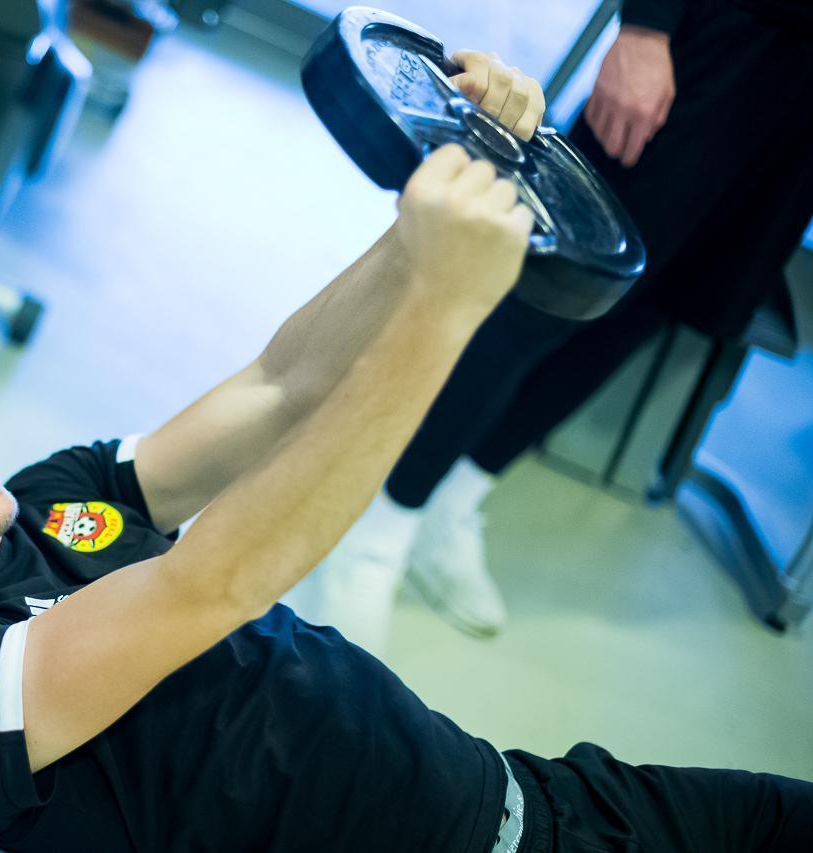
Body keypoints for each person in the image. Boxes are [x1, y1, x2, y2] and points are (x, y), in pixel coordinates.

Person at [0, 53, 812, 853]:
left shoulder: (52, 502)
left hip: (541, 795)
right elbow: (213, 582)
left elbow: (280, 385)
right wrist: (445, 306)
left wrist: (453, 190)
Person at [346, 0, 813, 639]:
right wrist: (647, 27)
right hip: (727, 44)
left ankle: (454, 502)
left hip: (799, 120)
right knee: (555, 282)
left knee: (645, 306)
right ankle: (380, 522)